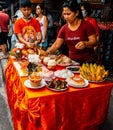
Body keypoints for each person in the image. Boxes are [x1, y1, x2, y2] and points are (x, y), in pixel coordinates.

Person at [43, 0, 97, 65]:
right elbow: (57, 44)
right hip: (72, 62)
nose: (66, 17)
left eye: (68, 14)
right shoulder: (64, 28)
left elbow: (94, 42)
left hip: (88, 62)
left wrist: (85, 43)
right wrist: (47, 52)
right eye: (64, 14)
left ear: (76, 13)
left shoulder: (86, 25)